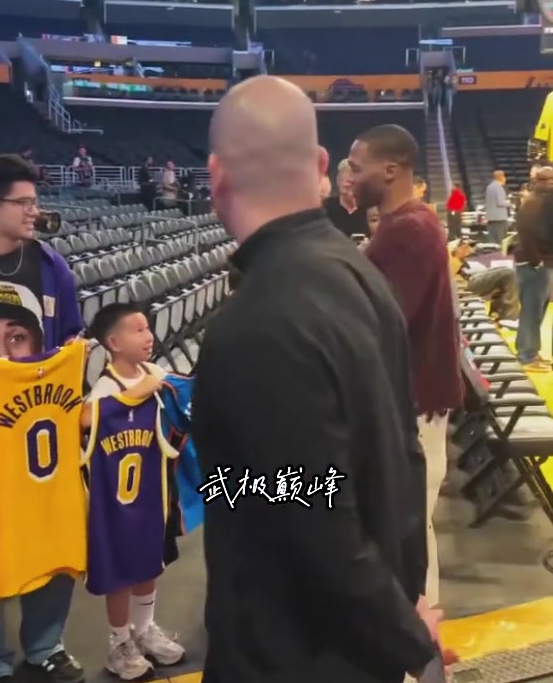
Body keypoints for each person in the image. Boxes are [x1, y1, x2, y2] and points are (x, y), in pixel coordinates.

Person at [192, 76, 451, 683]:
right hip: (358, 645)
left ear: (216, 175)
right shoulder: (356, 274)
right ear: (317, 165)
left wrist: (410, 642)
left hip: (292, 656)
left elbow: (309, 514)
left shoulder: (252, 324)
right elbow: (401, 461)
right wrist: (406, 604)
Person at [348, 124, 463, 609]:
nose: (350, 178)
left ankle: (420, 638)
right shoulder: (408, 223)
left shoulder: (408, 230)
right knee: (410, 528)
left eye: (357, 168)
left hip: (413, 404)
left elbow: (381, 322)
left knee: (409, 531)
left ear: (390, 170)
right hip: (415, 399)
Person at [0, 154, 84, 683]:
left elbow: (70, 334)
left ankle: (46, 644)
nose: (34, 211)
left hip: (36, 428)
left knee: (48, 529)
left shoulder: (50, 265)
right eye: (22, 202)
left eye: (34, 201)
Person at [85, 303, 186, 680]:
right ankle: (119, 642)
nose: (149, 336)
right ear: (113, 343)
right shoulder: (106, 387)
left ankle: (144, 631)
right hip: (114, 504)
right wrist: (133, 395)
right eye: (138, 330)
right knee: (120, 575)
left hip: (152, 495)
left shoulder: (155, 373)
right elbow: (82, 420)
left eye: (148, 328)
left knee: (150, 565)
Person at [513, 167, 553, 371]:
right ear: (545, 182)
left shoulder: (538, 201)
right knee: (531, 310)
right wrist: (536, 262)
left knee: (536, 309)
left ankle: (530, 352)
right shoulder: (534, 202)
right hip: (533, 264)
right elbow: (526, 233)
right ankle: (527, 355)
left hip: (538, 262)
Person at [323, 159, 369, 238]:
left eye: (353, 183)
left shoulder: (370, 208)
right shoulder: (325, 208)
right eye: (346, 182)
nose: (349, 185)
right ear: (338, 181)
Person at [485, 170, 509, 245]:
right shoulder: (499, 188)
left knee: (492, 242)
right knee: (501, 242)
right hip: (500, 219)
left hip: (491, 219)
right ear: (502, 178)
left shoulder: (489, 187)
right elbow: (500, 202)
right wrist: (510, 203)